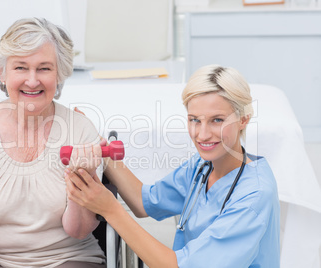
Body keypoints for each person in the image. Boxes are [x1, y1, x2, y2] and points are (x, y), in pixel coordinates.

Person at [65, 65, 280, 267]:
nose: (202, 134)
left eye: (217, 120)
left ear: (243, 119)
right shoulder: (203, 166)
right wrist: (98, 145)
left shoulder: (254, 195)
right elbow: (143, 201)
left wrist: (110, 209)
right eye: (195, 120)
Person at [0, 18, 106, 268]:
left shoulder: (80, 129)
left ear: (60, 73)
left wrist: (83, 176)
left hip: (70, 259)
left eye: (44, 68)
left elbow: (78, 230)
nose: (32, 81)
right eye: (21, 68)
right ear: (2, 72)